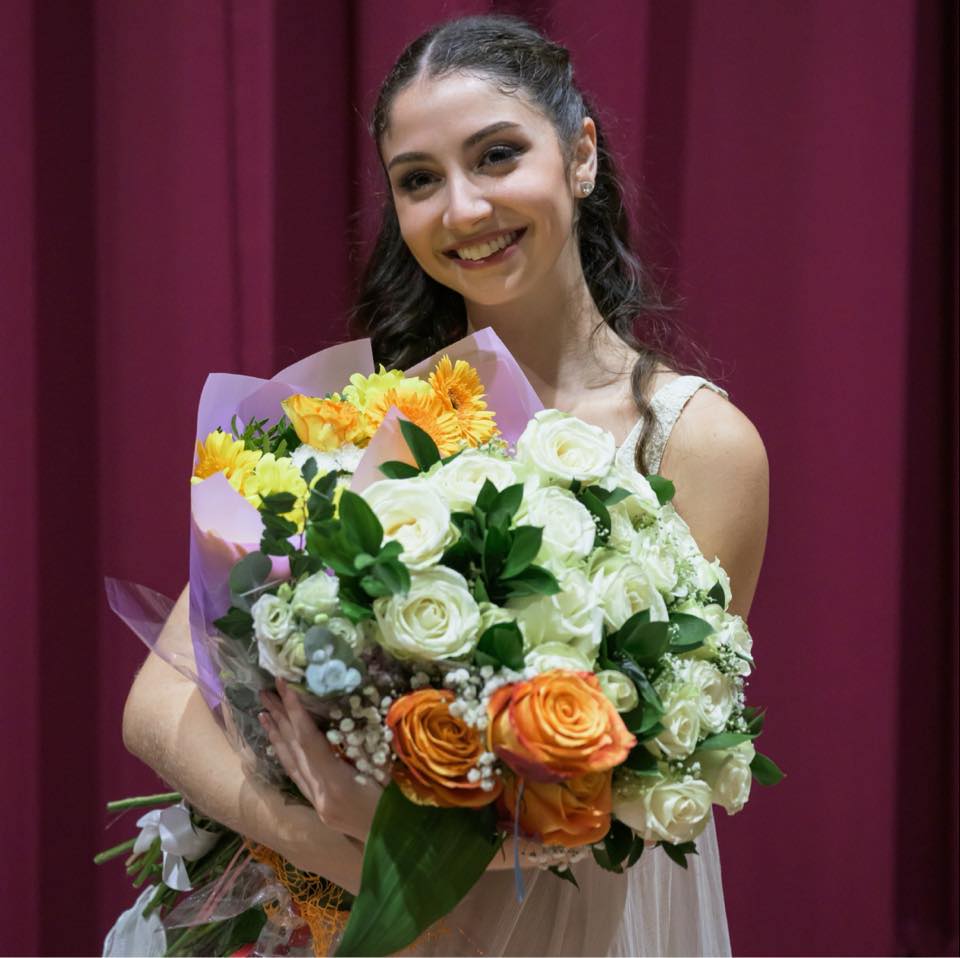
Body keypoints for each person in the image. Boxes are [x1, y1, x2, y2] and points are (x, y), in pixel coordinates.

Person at [123, 14, 768, 956]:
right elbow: (157, 704)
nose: (463, 209)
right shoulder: (363, 415)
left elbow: (666, 763)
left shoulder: (699, 443)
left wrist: (410, 844)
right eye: (419, 179)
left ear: (580, 155)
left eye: (497, 156)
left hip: (560, 928)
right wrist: (322, 839)